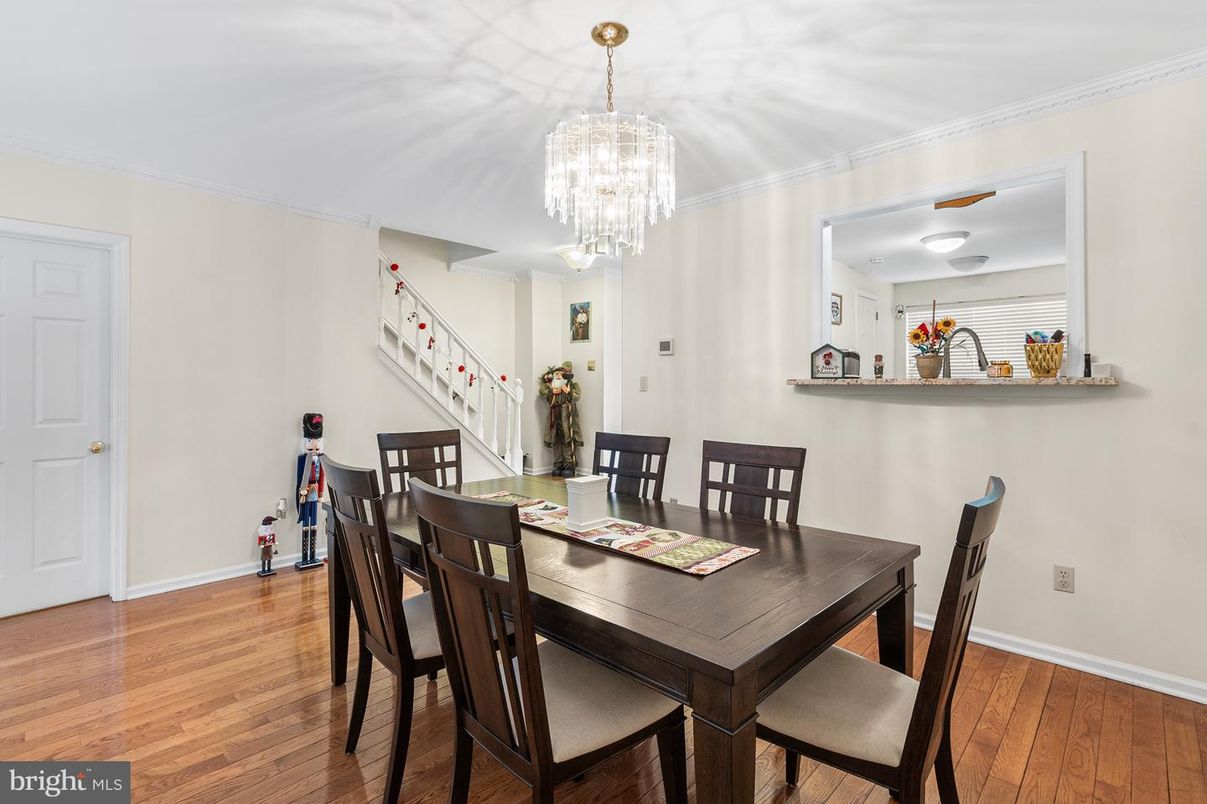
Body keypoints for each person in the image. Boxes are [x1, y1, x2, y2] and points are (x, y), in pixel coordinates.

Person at [538, 362, 582, 477]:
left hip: (566, 415)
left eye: (561, 373)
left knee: (567, 438)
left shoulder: (572, 385)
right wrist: (551, 391)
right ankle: (558, 464)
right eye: (556, 373)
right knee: (555, 439)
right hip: (554, 415)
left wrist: (568, 391)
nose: (558, 375)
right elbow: (542, 391)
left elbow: (577, 396)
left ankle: (569, 464)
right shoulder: (551, 385)